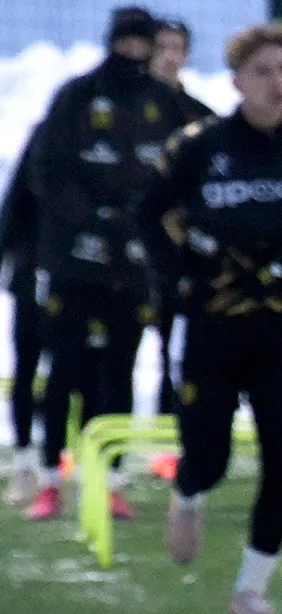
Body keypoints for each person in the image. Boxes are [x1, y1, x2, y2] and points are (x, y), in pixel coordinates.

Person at [133, 19, 282, 614]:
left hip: (277, 327)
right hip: (212, 325)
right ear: (236, 79)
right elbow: (146, 214)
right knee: (208, 456)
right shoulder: (198, 145)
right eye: (262, 71)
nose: (276, 82)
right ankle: (189, 491)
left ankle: (251, 589)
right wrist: (180, 278)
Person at [24, 6, 192, 521]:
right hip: (74, 262)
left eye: (143, 43)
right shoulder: (77, 96)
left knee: (121, 368)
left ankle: (112, 482)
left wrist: (153, 224)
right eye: (126, 42)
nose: (134, 53)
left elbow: (197, 159)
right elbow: (45, 169)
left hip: (135, 267)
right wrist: (87, 218)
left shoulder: (167, 104)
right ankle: (51, 479)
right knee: (64, 367)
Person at [149, 16, 215, 415]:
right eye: (162, 48)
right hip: (126, 246)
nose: (170, 57)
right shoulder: (122, 109)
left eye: (178, 48)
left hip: (180, 248)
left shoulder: (201, 120)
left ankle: (174, 421)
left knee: (178, 347)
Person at [0, 123, 45, 506]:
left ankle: (59, 461)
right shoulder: (44, 140)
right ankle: (26, 459)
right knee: (27, 365)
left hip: (83, 279)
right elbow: (13, 207)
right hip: (32, 273)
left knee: (82, 372)